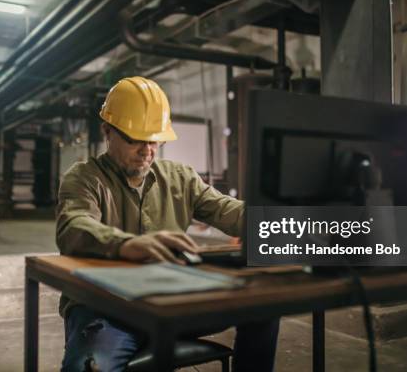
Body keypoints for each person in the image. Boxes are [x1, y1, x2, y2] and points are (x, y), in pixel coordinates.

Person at [57, 76, 279, 372]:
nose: (147, 150)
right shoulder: (84, 178)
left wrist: (286, 223)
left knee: (264, 303)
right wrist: (125, 245)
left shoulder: (180, 178)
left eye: (154, 140)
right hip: (107, 308)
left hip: (170, 302)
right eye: (135, 140)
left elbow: (228, 210)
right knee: (92, 367)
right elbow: (74, 225)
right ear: (107, 131)